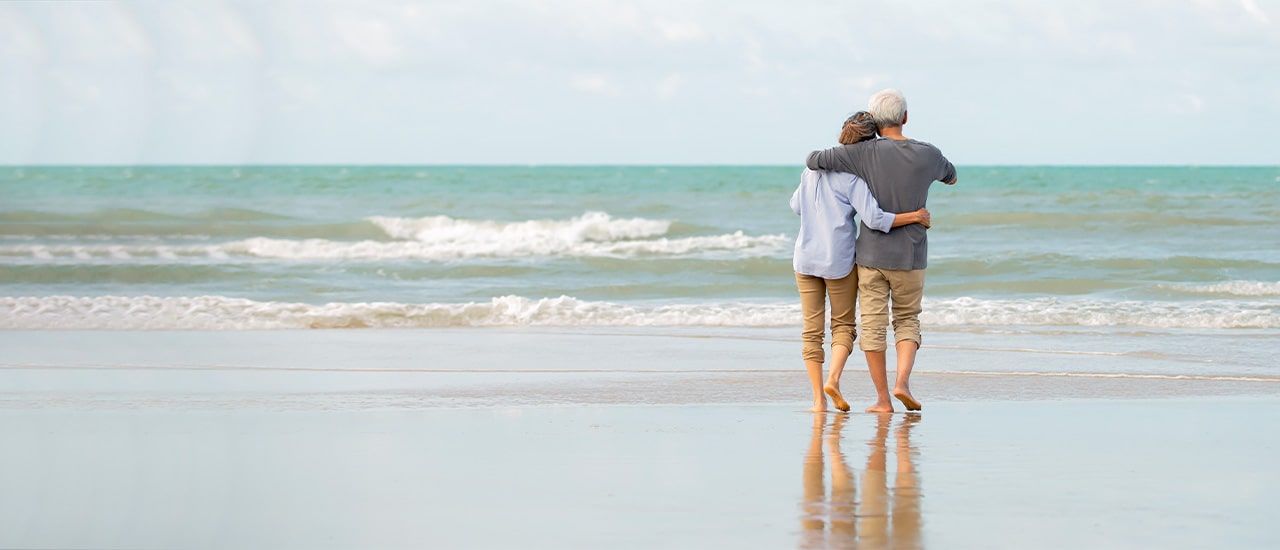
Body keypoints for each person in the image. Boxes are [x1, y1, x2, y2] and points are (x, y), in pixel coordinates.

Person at [805, 88, 957, 413]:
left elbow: (814, 160)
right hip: (912, 255)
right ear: (904, 117)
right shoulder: (928, 153)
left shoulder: (861, 154)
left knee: (873, 325)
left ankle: (884, 400)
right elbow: (951, 176)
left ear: (874, 120)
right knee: (907, 320)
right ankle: (903, 382)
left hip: (871, 256)